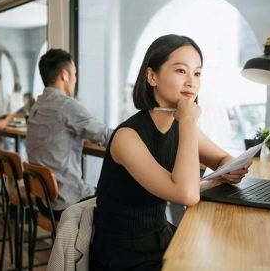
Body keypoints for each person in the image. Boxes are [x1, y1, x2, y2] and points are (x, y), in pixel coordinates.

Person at [89, 34, 251, 270]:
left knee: (226, 257)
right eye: (180, 71)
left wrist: (231, 169)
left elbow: (224, 159)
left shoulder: (180, 126)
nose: (192, 82)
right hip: (123, 254)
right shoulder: (127, 137)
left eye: (197, 73)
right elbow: (186, 196)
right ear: (152, 76)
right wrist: (187, 122)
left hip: (161, 236)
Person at [26, 49, 112, 221]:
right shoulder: (65, 105)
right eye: (74, 74)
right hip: (66, 203)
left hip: (43, 201)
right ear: (64, 75)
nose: (75, 79)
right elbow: (108, 136)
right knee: (118, 201)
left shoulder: (37, 105)